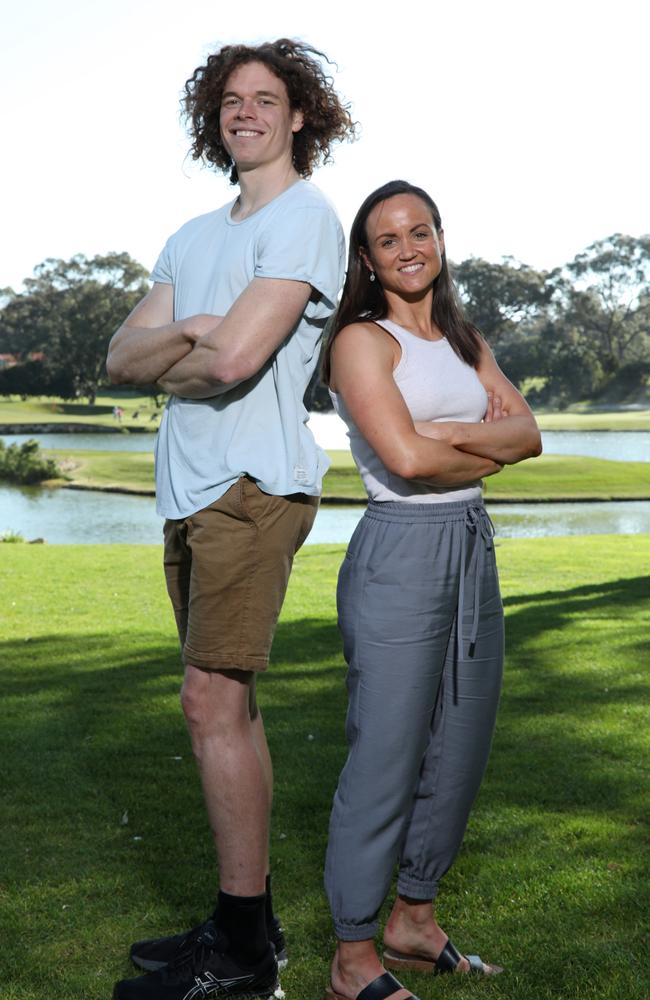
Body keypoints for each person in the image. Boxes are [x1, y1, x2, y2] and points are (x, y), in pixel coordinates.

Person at [106, 38, 355, 1000]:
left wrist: (193, 341)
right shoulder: (192, 237)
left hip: (253, 485)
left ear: (300, 117)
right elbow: (119, 360)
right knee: (229, 706)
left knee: (209, 702)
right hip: (190, 488)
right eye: (229, 101)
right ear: (214, 120)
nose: (245, 112)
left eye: (266, 98)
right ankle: (244, 923)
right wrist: (194, 331)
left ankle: (245, 957)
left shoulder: (304, 218)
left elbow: (232, 363)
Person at [322, 180, 542, 1000]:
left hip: (470, 545)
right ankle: (352, 958)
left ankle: (414, 919)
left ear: (440, 239)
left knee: (460, 746)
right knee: (384, 756)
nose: (408, 246)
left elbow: (531, 432)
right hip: (401, 553)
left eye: (421, 230)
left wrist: (450, 435)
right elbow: (407, 465)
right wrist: (484, 443)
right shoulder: (361, 341)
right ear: (368, 258)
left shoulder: (460, 336)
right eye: (388, 238)